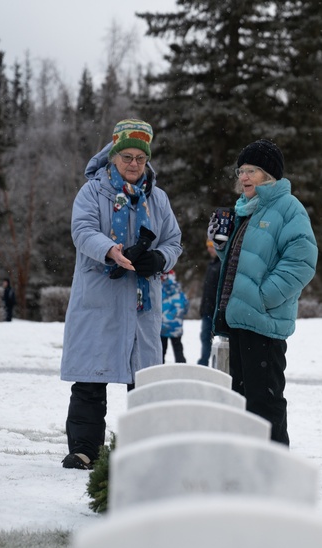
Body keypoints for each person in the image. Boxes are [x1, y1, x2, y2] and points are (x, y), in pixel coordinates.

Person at [60, 119, 183, 469]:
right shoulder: (92, 193)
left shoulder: (158, 199)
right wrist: (111, 251)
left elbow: (174, 241)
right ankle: (85, 449)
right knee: (89, 380)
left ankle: (142, 450)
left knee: (143, 383)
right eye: (127, 156)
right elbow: (82, 230)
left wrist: (160, 258)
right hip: (100, 301)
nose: (133, 164)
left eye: (140, 159)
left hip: (141, 305)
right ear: (113, 156)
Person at [207, 139, 317, 445]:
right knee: (240, 399)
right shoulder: (246, 210)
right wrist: (221, 245)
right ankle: (246, 464)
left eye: (251, 170)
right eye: (241, 171)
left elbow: (302, 263)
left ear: (269, 174)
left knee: (264, 400)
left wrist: (264, 298)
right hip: (238, 320)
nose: (243, 177)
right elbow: (245, 264)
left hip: (263, 323)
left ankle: (275, 469)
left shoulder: (288, 208)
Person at [197, 240, 221, 366]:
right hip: (207, 309)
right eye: (208, 247)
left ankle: (209, 363)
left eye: (211, 247)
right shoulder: (211, 265)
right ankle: (204, 363)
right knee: (205, 337)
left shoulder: (221, 265)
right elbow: (207, 290)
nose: (209, 249)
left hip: (215, 310)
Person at [160, 270, 188, 362]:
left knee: (161, 350)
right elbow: (186, 305)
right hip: (176, 326)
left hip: (162, 326)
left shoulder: (159, 290)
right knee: (178, 349)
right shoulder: (178, 290)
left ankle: (158, 371)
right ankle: (182, 369)